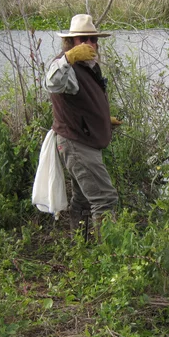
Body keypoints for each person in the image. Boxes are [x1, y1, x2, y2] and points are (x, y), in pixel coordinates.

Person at [44, 14, 120, 237]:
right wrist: (68, 58)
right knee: (104, 199)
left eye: (93, 39)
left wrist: (103, 120)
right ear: (71, 43)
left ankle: (81, 244)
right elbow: (52, 83)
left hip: (84, 140)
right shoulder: (66, 67)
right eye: (83, 39)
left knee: (84, 198)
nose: (90, 44)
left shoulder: (88, 67)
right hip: (77, 144)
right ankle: (108, 254)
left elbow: (82, 102)